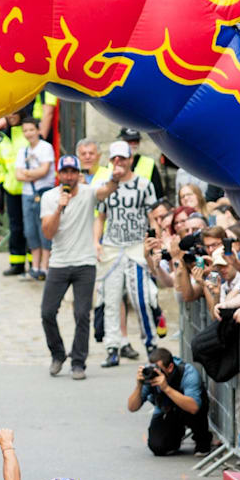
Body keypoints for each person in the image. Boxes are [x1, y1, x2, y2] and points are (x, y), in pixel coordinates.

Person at [40, 155, 111, 379]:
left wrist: (116, 179)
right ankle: (58, 354)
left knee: (82, 314)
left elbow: (105, 191)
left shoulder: (89, 192)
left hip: (84, 263)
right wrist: (60, 209)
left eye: (73, 172)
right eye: (65, 172)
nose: (69, 176)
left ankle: (78, 362)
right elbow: (48, 233)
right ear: (59, 174)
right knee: (47, 312)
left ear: (79, 174)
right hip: (59, 263)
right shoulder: (50, 197)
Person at [97, 140, 159, 367]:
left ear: (130, 159)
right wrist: (97, 241)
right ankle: (112, 346)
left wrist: (154, 242)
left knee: (141, 297)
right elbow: (100, 215)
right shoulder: (106, 185)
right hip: (113, 245)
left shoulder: (144, 185)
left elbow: (152, 216)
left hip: (136, 246)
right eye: (114, 159)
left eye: (122, 158)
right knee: (111, 298)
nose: (118, 162)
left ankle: (150, 342)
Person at [127, 347, 212, 456]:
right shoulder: (150, 376)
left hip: (188, 411)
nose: (155, 372)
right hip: (166, 410)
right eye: (153, 368)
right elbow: (132, 407)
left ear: (170, 367)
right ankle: (174, 438)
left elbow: (194, 407)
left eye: (158, 368)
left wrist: (166, 388)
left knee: (195, 406)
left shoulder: (187, 373)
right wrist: (139, 385)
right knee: (158, 447)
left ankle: (202, 439)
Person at [16, 117, 55, 280]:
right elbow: (18, 175)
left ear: (38, 130)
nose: (28, 133)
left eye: (31, 129)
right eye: (25, 130)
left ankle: (45, 267)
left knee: (44, 229)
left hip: (44, 192)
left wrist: (28, 173)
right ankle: (35, 266)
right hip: (27, 194)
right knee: (30, 230)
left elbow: (44, 171)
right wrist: (33, 174)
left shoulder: (46, 148)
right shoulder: (22, 151)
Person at [0, 112, 29, 277]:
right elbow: (2, 165)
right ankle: (17, 263)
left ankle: (33, 263)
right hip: (11, 190)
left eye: (15, 113)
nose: (11, 116)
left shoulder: (27, 135)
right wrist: (1, 184)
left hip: (29, 190)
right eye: (8, 113)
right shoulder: (5, 139)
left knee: (30, 228)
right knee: (15, 227)